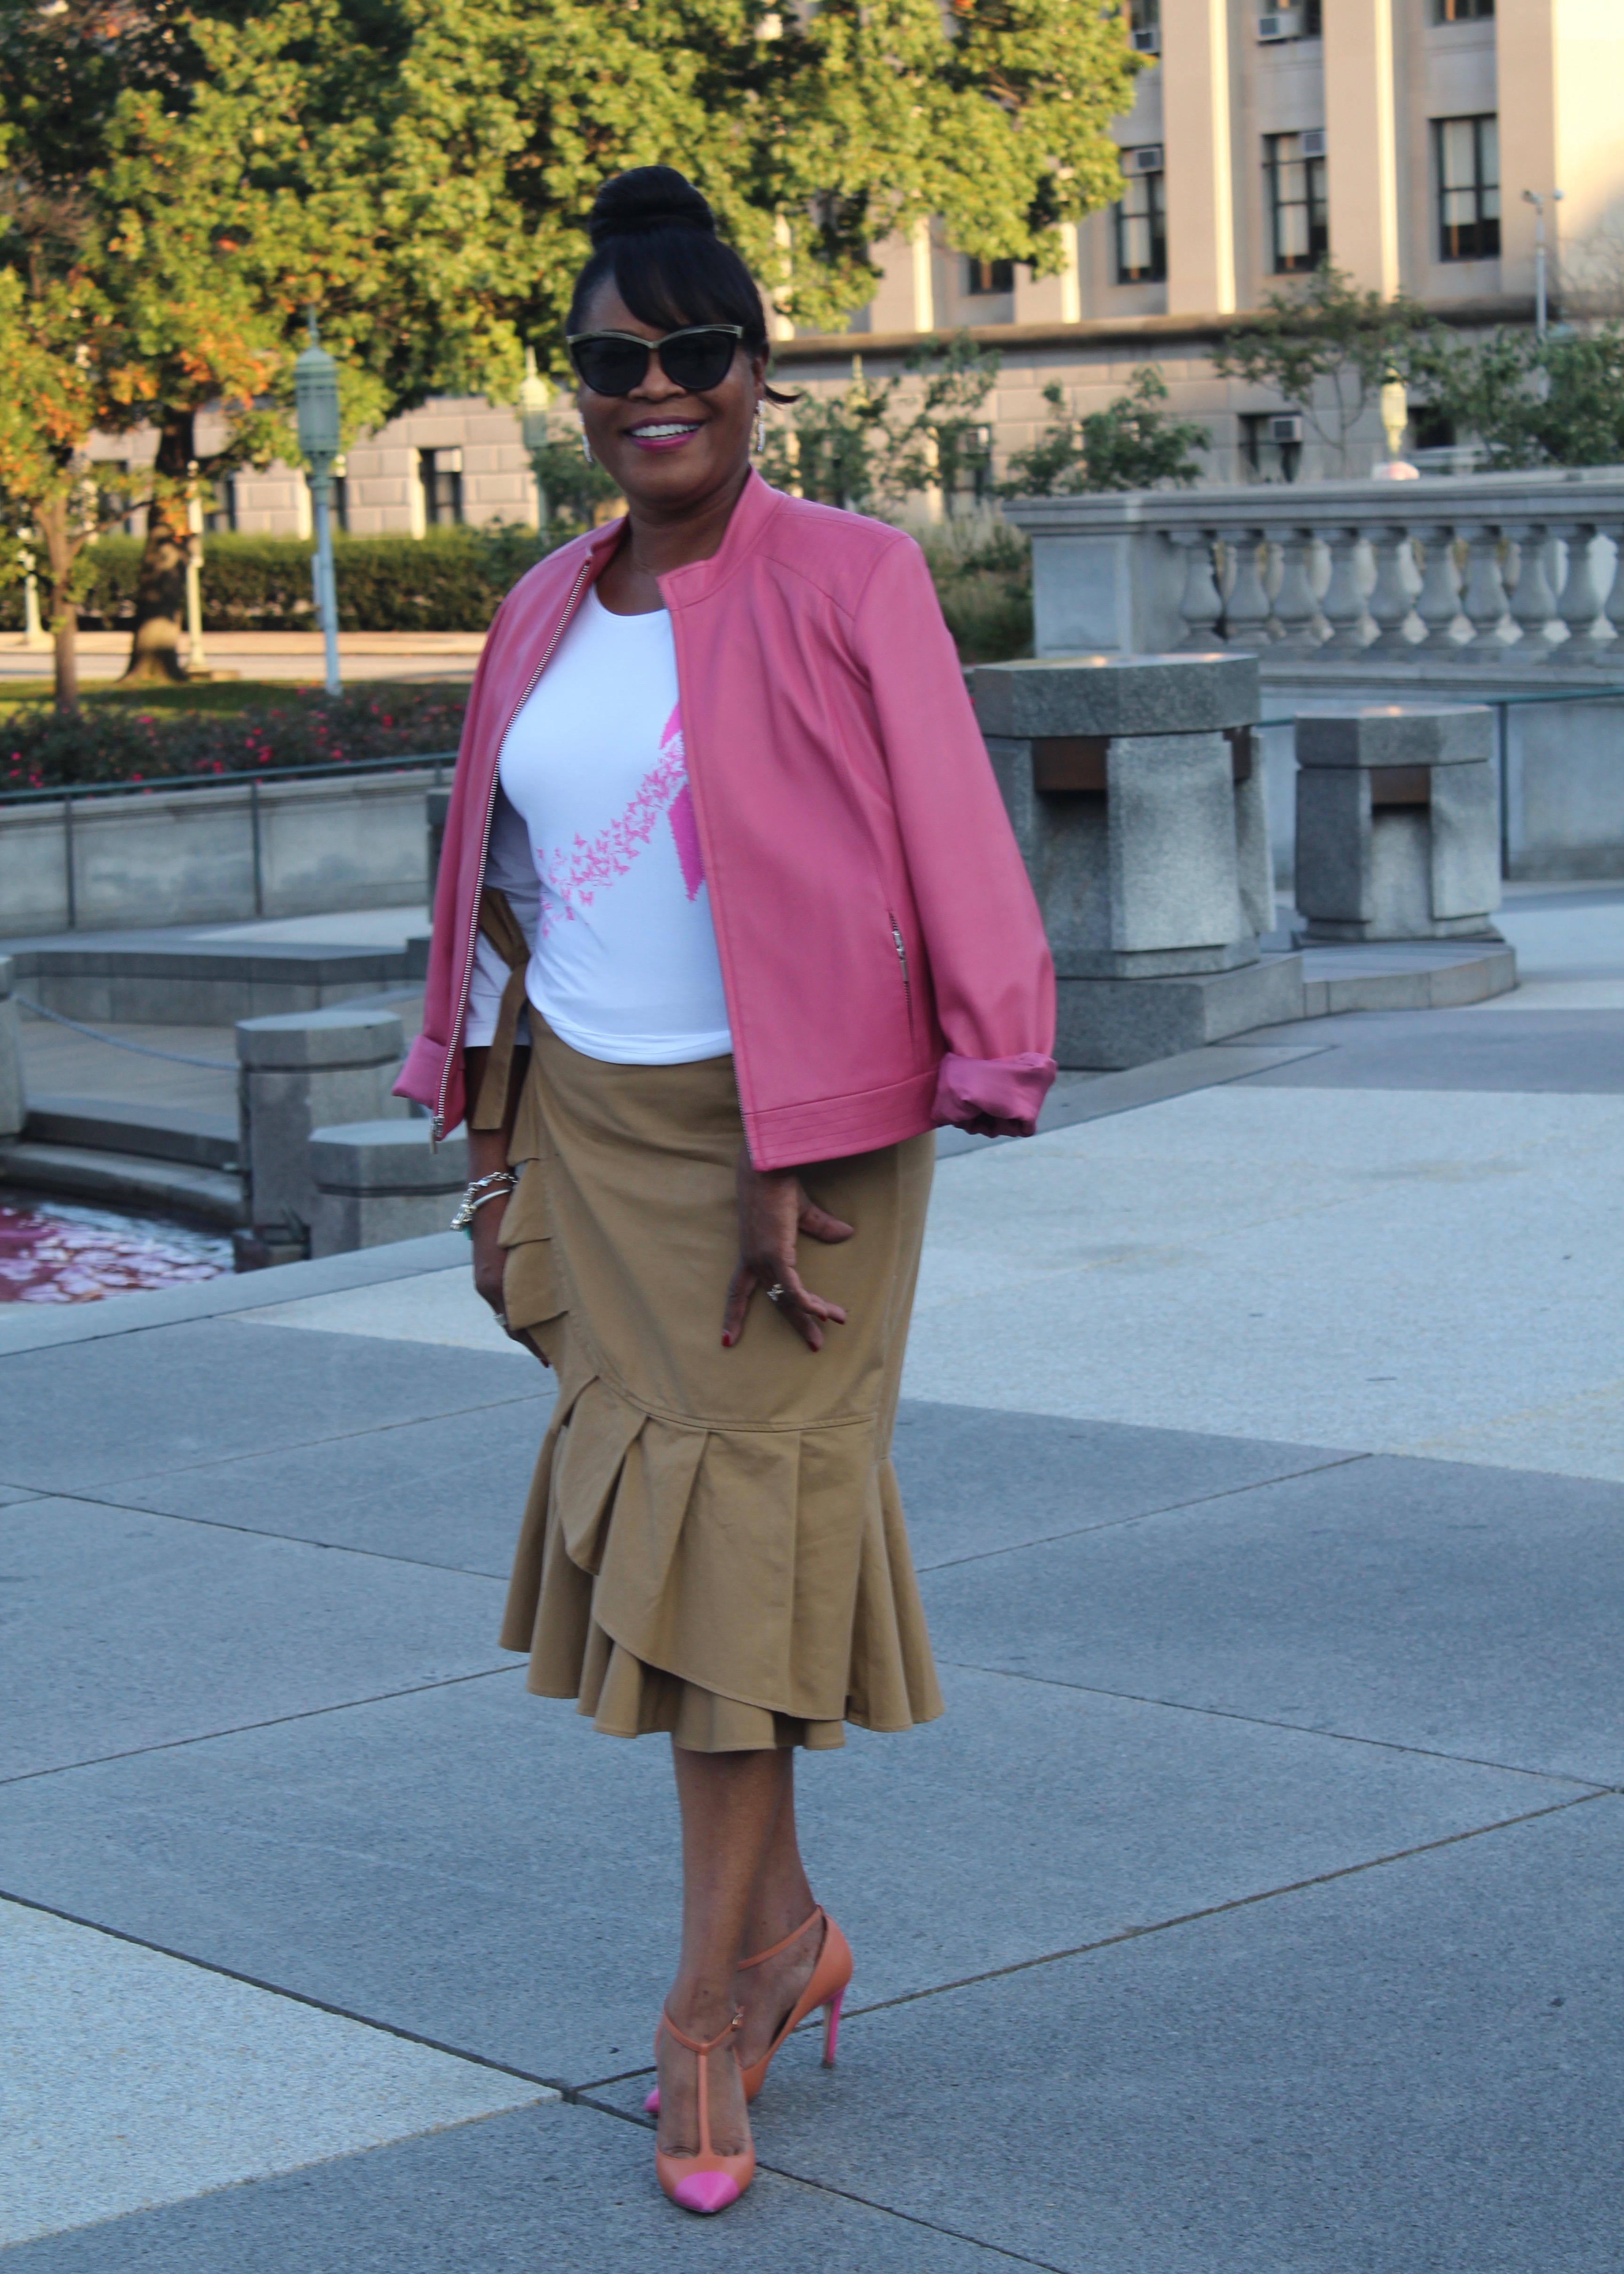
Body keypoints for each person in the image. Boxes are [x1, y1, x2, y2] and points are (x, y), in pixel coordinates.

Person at [397, 165, 1055, 2217]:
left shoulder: (851, 577)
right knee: (707, 1562)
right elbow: (500, 899)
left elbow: (949, 846)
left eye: (694, 354)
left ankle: (710, 2007)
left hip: (808, 1143)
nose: (653, 389)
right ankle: (781, 1942)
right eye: (613, 361)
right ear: (578, 390)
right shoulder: (534, 609)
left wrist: (885, 1109)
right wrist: (495, 1145)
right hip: (590, 1138)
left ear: (761, 374)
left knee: (717, 1555)